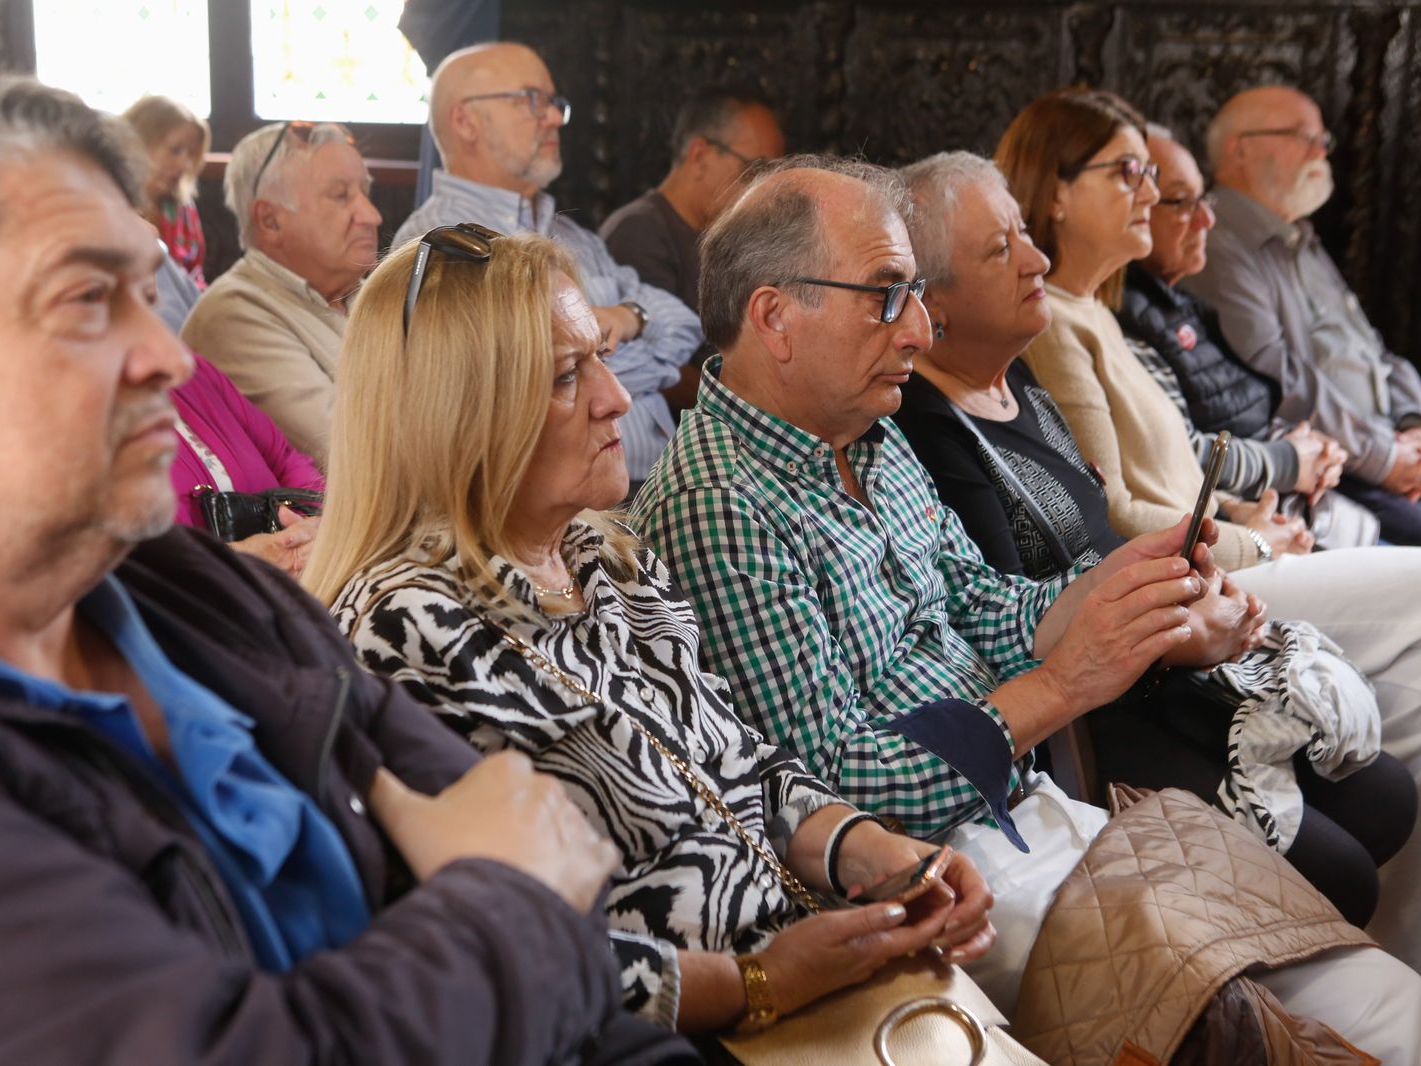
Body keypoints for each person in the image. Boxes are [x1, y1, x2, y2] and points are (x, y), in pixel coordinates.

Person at [0, 51, 695, 1065]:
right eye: (83, 299)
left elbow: (569, 917)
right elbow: (529, 892)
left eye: (146, 293)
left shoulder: (206, 593)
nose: (171, 355)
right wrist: (511, 901)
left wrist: (511, 910)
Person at [629, 151, 1421, 1059]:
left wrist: (1115, 593)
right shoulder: (719, 503)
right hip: (942, 885)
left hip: (1038, 811)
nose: (920, 329)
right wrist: (1065, 682)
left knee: (1366, 988)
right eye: (887, 293)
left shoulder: (865, 431)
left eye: (918, 293)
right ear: (774, 316)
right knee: (1366, 1021)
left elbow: (979, 598)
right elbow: (835, 789)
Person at [304, 227, 997, 1034]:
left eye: (601, 355)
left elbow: (744, 767)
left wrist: (878, 853)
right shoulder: (402, 628)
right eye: (568, 375)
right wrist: (760, 982)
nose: (617, 398)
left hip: (800, 978)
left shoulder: (606, 555)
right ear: (457, 414)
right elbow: (499, 958)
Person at [893, 148, 1415, 928]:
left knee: (1386, 798)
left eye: (1024, 235)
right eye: (1001, 250)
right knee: (1345, 873)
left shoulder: (1016, 379)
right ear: (931, 302)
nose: (1037, 259)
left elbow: (1102, 534)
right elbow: (1011, 631)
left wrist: (1196, 580)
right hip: (1093, 719)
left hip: (1156, 657)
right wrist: (1180, 622)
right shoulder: (930, 429)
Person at [1004, 88, 1311, 569]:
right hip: (1195, 575)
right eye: (1129, 172)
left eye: (1149, 173)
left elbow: (1169, 479)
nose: (1150, 192)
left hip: (1217, 553)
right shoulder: (1051, 326)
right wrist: (1254, 544)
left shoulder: (1095, 310)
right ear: (1057, 191)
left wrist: (1237, 511)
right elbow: (1113, 516)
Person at [394, 42, 704, 492]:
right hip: (558, 508)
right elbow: (514, 392)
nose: (555, 118)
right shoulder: (437, 247)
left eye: (555, 103)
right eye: (531, 100)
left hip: (657, 483)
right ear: (465, 121)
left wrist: (627, 316)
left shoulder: (574, 235)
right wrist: (661, 367)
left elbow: (683, 322)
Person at [1118, 127, 1378, 549]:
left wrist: (1313, 449)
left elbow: (1249, 402)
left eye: (1204, 200)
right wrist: (1291, 461)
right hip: (1248, 525)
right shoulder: (1127, 316)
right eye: (1183, 202)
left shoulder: (1178, 302)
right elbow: (1176, 458)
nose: (1207, 219)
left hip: (1299, 500)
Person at [1184, 85, 1421, 544]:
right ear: (1239, 149)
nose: (1321, 150)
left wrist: (1414, 425)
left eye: (1322, 139)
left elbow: (1375, 351)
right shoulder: (1216, 244)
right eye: (1302, 136)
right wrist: (1386, 457)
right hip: (1338, 467)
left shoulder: (1301, 236)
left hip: (1389, 449)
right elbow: (1278, 376)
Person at [182, 120, 382, 464]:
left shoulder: (369, 295)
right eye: (340, 196)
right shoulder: (235, 314)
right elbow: (353, 457)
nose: (372, 215)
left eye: (365, 193)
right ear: (270, 221)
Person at [155, 250, 325, 573]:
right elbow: (127, 573)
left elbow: (285, 458)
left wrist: (310, 528)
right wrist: (239, 561)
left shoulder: (192, 371)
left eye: (149, 295)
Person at [600, 86, 785, 312]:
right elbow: (662, 338)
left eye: (770, 174)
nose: (762, 187)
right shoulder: (638, 231)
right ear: (700, 156)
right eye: (754, 169)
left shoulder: (724, 235)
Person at [123, 94, 211, 286]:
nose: (185, 164)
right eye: (175, 150)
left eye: (191, 154)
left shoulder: (182, 206)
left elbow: (194, 275)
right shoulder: (110, 205)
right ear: (138, 144)